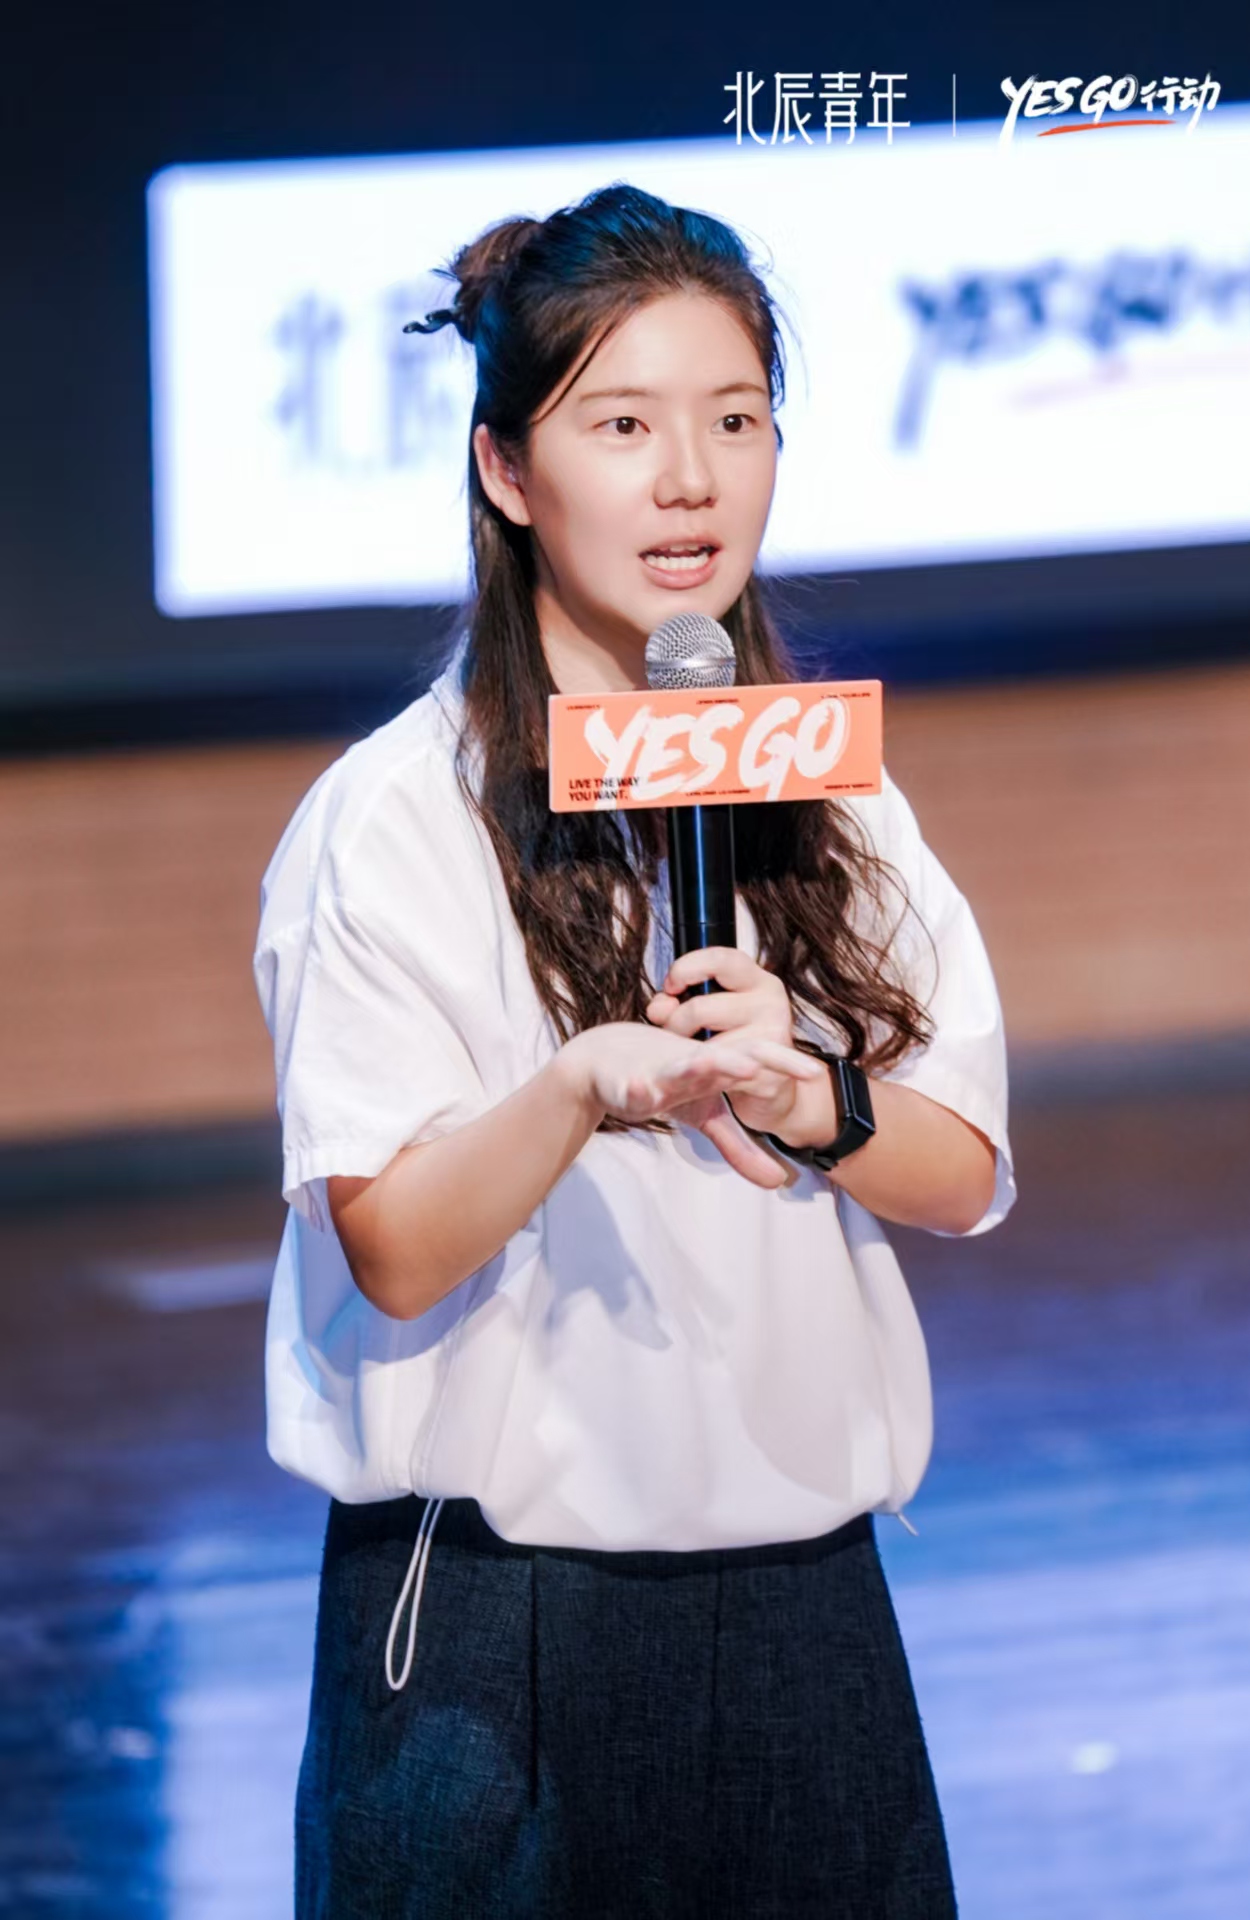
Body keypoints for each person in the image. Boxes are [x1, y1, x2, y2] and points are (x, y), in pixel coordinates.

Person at [254, 181, 1015, 1918]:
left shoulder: (830, 791)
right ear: (507, 471)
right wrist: (579, 1085)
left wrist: (818, 1098)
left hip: (808, 1612)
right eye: (623, 425)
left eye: (735, 421)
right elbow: (391, 1247)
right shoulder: (393, 817)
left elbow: (965, 1169)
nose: (691, 480)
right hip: (493, 1633)